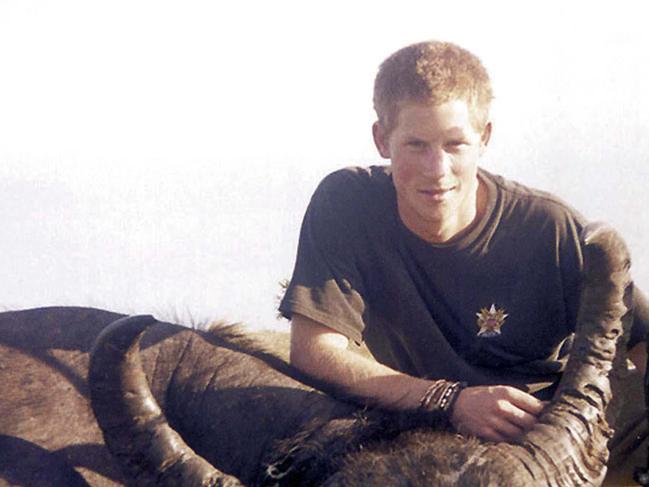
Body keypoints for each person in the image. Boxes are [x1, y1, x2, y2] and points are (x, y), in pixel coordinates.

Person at [278, 40, 649, 444]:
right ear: (382, 140)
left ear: (484, 137)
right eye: (416, 145)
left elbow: (641, 340)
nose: (437, 171)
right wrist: (450, 401)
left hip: (553, 435)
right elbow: (315, 351)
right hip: (429, 433)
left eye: (455, 144)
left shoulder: (549, 228)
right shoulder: (347, 204)